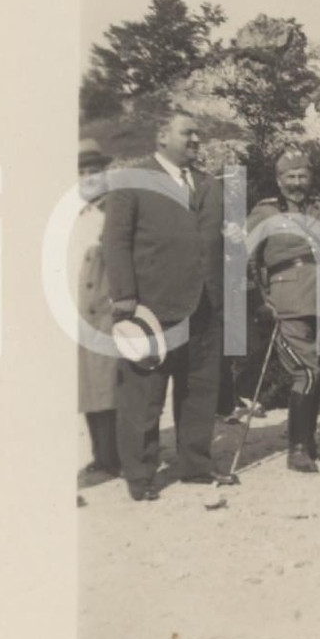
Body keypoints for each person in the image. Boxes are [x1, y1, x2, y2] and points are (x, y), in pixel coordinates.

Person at [103, 111, 224, 502]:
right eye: (188, 133)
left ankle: (195, 465)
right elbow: (116, 241)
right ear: (161, 136)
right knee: (144, 395)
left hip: (205, 305)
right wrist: (125, 297)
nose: (195, 140)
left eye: (198, 135)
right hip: (152, 307)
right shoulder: (131, 180)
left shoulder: (208, 184)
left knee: (199, 391)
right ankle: (140, 475)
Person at [245, 151, 320, 473]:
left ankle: (311, 443)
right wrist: (260, 300)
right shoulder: (264, 213)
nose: (296, 183)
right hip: (288, 300)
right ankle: (298, 449)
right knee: (305, 372)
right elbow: (244, 256)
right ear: (279, 181)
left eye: (302, 176)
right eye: (289, 177)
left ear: (310, 178)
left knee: (318, 369)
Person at [76, 138, 120, 486]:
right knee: (88, 386)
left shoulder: (114, 211)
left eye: (95, 171)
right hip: (80, 310)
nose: (89, 177)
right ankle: (99, 456)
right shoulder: (79, 216)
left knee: (109, 384)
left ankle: (114, 456)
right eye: (83, 172)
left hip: (107, 308)